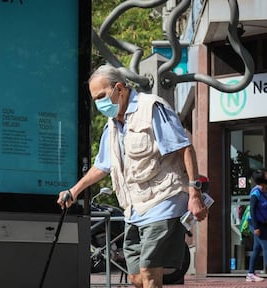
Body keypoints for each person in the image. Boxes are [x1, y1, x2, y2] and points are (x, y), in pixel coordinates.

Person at [57, 64, 207, 288]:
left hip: (163, 199)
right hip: (135, 208)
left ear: (119, 88)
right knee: (136, 278)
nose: (99, 104)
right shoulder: (113, 125)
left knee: (148, 272)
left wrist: (194, 194)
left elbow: (184, 148)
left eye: (101, 96)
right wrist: (74, 190)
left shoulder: (151, 108)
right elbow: (102, 166)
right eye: (95, 98)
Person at [246, 169, 267, 282]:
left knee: (257, 249)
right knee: (265, 246)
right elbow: (252, 211)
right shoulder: (256, 193)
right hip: (256, 223)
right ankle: (250, 274)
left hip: (263, 223)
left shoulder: (264, 191)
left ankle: (250, 274)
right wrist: (256, 227)